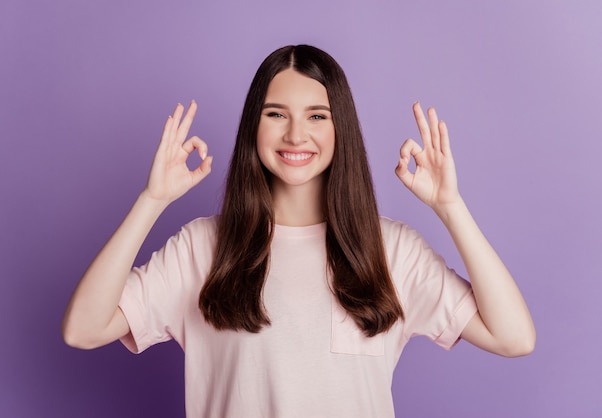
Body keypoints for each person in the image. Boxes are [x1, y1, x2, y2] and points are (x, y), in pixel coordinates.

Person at [62, 44, 535, 417]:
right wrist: (152, 202)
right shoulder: (204, 246)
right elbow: (83, 329)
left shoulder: (392, 250)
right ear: (255, 126)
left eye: (316, 115)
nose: (295, 135)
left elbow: (514, 337)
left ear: (339, 129)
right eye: (275, 114)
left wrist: (450, 208)